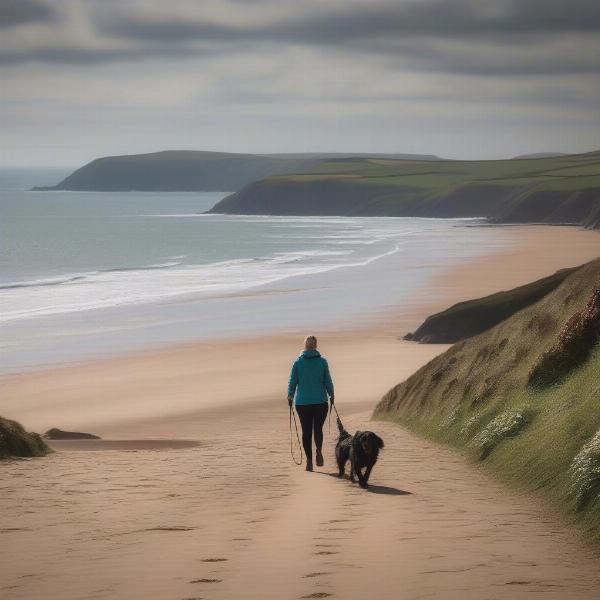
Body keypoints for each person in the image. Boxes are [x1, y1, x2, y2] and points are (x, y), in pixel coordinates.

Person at [287, 335, 334, 471]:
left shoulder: (297, 362)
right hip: (320, 401)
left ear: (305, 346)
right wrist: (332, 394)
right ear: (316, 346)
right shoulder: (322, 362)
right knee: (318, 428)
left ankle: (309, 460)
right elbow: (328, 381)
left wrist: (290, 395)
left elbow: (292, 381)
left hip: (302, 402)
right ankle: (318, 451)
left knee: (306, 431)